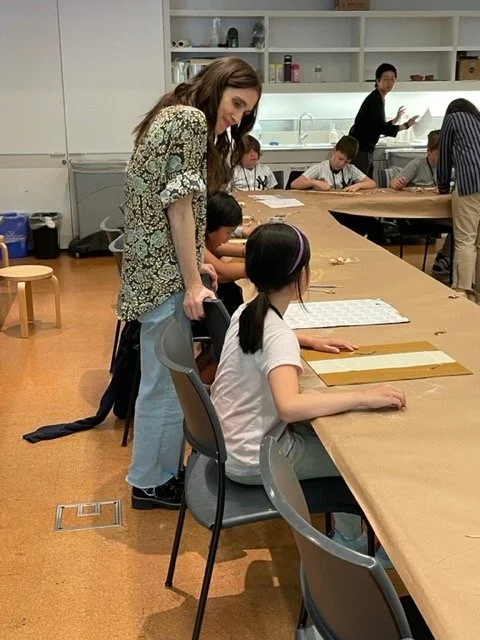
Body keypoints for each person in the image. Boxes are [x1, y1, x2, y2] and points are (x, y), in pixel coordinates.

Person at [116, 57, 262, 510]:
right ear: (217, 87)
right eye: (235, 103)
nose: (236, 117)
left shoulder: (175, 112)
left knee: (163, 381)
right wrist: (193, 282)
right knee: (164, 384)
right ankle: (151, 483)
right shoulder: (190, 120)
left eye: (245, 111)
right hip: (162, 278)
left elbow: (165, 204)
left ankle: (155, 474)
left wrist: (198, 258)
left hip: (155, 270)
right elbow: (178, 207)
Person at [210, 223, 406, 557]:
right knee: (355, 460)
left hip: (230, 446)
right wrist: (365, 397)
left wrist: (307, 339)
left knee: (326, 435)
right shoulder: (277, 335)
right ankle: (351, 542)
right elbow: (288, 406)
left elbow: (269, 338)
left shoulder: (246, 311)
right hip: (255, 459)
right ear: (301, 277)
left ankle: (350, 536)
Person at [344, 63, 418, 243]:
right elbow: (379, 127)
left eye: (392, 79)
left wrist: (395, 120)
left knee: (365, 186)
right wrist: (405, 125)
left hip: (364, 149)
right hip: (361, 150)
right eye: (385, 79)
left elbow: (377, 125)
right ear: (377, 81)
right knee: (362, 187)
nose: (389, 83)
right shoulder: (375, 99)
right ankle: (359, 229)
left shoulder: (378, 98)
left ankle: (364, 230)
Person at [390, 129, 453, 277]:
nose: (443, 157)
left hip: (438, 214)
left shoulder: (449, 166)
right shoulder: (417, 164)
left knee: (461, 225)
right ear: (428, 152)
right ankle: (444, 259)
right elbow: (394, 182)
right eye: (438, 154)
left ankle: (444, 257)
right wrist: (396, 183)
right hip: (417, 216)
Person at [437, 98, 480, 304]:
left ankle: (463, 291)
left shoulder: (452, 119)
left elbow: (444, 156)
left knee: (465, 240)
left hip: (469, 185)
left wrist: (443, 187)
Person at [205, 191, 245, 315]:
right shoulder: (194, 243)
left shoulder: (207, 237)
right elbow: (222, 273)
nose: (229, 237)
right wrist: (266, 267)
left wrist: (251, 250)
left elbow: (217, 248)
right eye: (228, 232)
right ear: (212, 226)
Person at [290, 135, 376, 192]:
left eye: (346, 162)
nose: (342, 164)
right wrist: (314, 182)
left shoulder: (351, 169)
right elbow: (294, 184)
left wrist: (357, 186)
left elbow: (372, 183)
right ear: (334, 150)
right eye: (340, 158)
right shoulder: (320, 168)